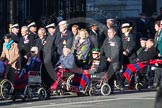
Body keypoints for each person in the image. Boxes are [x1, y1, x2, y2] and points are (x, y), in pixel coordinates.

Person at [100, 27, 122, 93]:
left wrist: (112, 58)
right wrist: (99, 55)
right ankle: (107, 87)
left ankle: (113, 87)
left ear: (114, 33)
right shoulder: (106, 39)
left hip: (114, 60)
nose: (109, 34)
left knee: (112, 75)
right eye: (108, 32)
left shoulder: (118, 40)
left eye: (110, 32)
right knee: (107, 74)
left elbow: (117, 50)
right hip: (106, 60)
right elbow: (102, 48)